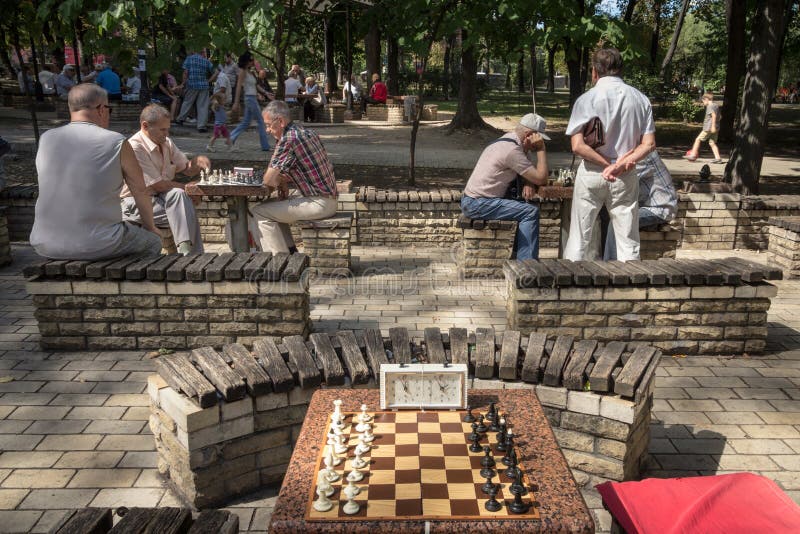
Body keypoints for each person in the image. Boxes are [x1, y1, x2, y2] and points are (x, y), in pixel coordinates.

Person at [30, 84, 161, 259]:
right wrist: (150, 227)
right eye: (109, 109)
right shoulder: (116, 141)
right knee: (153, 242)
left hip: (43, 243)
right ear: (101, 108)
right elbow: (140, 190)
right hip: (97, 243)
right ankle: (126, 284)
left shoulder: (46, 139)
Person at [563, 47, 656, 262]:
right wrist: (619, 165)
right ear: (621, 69)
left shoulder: (586, 99)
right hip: (625, 175)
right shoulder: (640, 99)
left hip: (592, 173)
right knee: (628, 241)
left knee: (579, 239)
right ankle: (629, 292)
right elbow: (648, 144)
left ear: (595, 72)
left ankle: (568, 291)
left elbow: (577, 146)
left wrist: (606, 164)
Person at [250, 100, 338, 253]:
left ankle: (279, 260)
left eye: (269, 125)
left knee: (258, 212)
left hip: (319, 203)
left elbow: (268, 180)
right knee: (274, 205)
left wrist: (278, 178)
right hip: (328, 199)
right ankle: (291, 252)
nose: (267, 130)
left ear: (281, 121)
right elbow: (301, 168)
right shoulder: (304, 131)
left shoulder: (288, 139)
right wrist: (283, 181)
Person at [460, 113, 550, 260]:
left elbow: (528, 170)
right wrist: (541, 149)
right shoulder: (512, 151)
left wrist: (528, 182)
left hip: (474, 200)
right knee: (530, 212)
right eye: (538, 139)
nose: (539, 142)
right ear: (529, 136)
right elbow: (541, 178)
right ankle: (526, 265)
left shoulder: (509, 141)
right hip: (478, 203)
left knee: (525, 206)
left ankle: (518, 257)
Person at [125, 104, 208, 255]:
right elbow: (158, 185)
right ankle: (192, 254)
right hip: (135, 204)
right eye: (163, 129)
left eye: (167, 129)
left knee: (179, 195)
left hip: (161, 200)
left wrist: (197, 162)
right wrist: (189, 189)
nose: (167, 133)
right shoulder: (134, 147)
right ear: (145, 126)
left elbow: (186, 168)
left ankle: (186, 251)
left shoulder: (166, 142)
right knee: (183, 199)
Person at [603, 150, 677, 260]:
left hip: (659, 209)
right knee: (604, 214)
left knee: (618, 221)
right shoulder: (633, 153)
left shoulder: (643, 157)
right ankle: (602, 257)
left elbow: (619, 181)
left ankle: (611, 265)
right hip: (646, 206)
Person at [230, 52, 271, 152]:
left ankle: (230, 139)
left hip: (252, 98)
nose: (253, 61)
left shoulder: (250, 72)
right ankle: (265, 146)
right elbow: (239, 87)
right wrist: (235, 102)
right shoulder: (242, 72)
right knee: (261, 121)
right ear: (247, 62)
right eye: (252, 60)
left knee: (246, 122)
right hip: (249, 99)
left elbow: (255, 86)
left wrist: (265, 93)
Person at [175, 50, 217, 133]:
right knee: (203, 106)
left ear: (194, 51)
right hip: (204, 86)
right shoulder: (206, 61)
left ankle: (180, 119)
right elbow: (215, 72)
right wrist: (208, 81)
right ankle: (201, 126)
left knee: (187, 102)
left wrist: (183, 83)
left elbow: (185, 72)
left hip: (191, 84)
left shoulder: (189, 59)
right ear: (202, 53)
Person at [684, 92, 722, 164]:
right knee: (712, 143)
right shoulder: (716, 105)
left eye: (703, 101)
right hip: (716, 128)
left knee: (698, 139)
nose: (703, 103)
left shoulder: (709, 106)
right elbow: (720, 116)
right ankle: (718, 158)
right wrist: (716, 125)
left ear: (707, 99)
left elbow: (713, 116)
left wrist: (713, 126)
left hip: (708, 128)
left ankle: (692, 155)